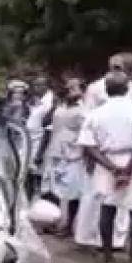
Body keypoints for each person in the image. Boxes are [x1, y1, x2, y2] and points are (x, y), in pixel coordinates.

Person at [77, 71, 132, 263]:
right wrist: (127, 170)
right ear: (128, 89)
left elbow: (89, 145)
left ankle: (108, 258)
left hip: (106, 162)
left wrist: (112, 168)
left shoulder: (96, 114)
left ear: (107, 91)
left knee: (107, 210)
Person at [75, 53, 132, 249]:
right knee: (96, 194)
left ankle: (117, 240)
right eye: (114, 66)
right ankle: (88, 237)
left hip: (125, 147)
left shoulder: (130, 86)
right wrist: (89, 151)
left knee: (122, 195)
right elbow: (86, 118)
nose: (116, 70)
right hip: (100, 149)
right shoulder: (95, 88)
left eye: (120, 67)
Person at [36, 77, 86, 235]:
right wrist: (53, 107)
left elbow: (86, 133)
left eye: (73, 88)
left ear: (82, 91)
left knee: (72, 191)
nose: (69, 90)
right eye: (68, 88)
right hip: (54, 150)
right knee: (50, 188)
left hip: (73, 154)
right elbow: (45, 123)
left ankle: (69, 225)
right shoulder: (60, 106)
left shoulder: (84, 109)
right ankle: (50, 221)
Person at [25, 75, 55, 199]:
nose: (36, 88)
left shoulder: (49, 102)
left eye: (39, 85)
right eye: (35, 85)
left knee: (39, 177)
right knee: (29, 175)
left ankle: (38, 202)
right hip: (31, 142)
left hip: (40, 144)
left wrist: (40, 153)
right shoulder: (38, 100)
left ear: (46, 86)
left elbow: (48, 129)